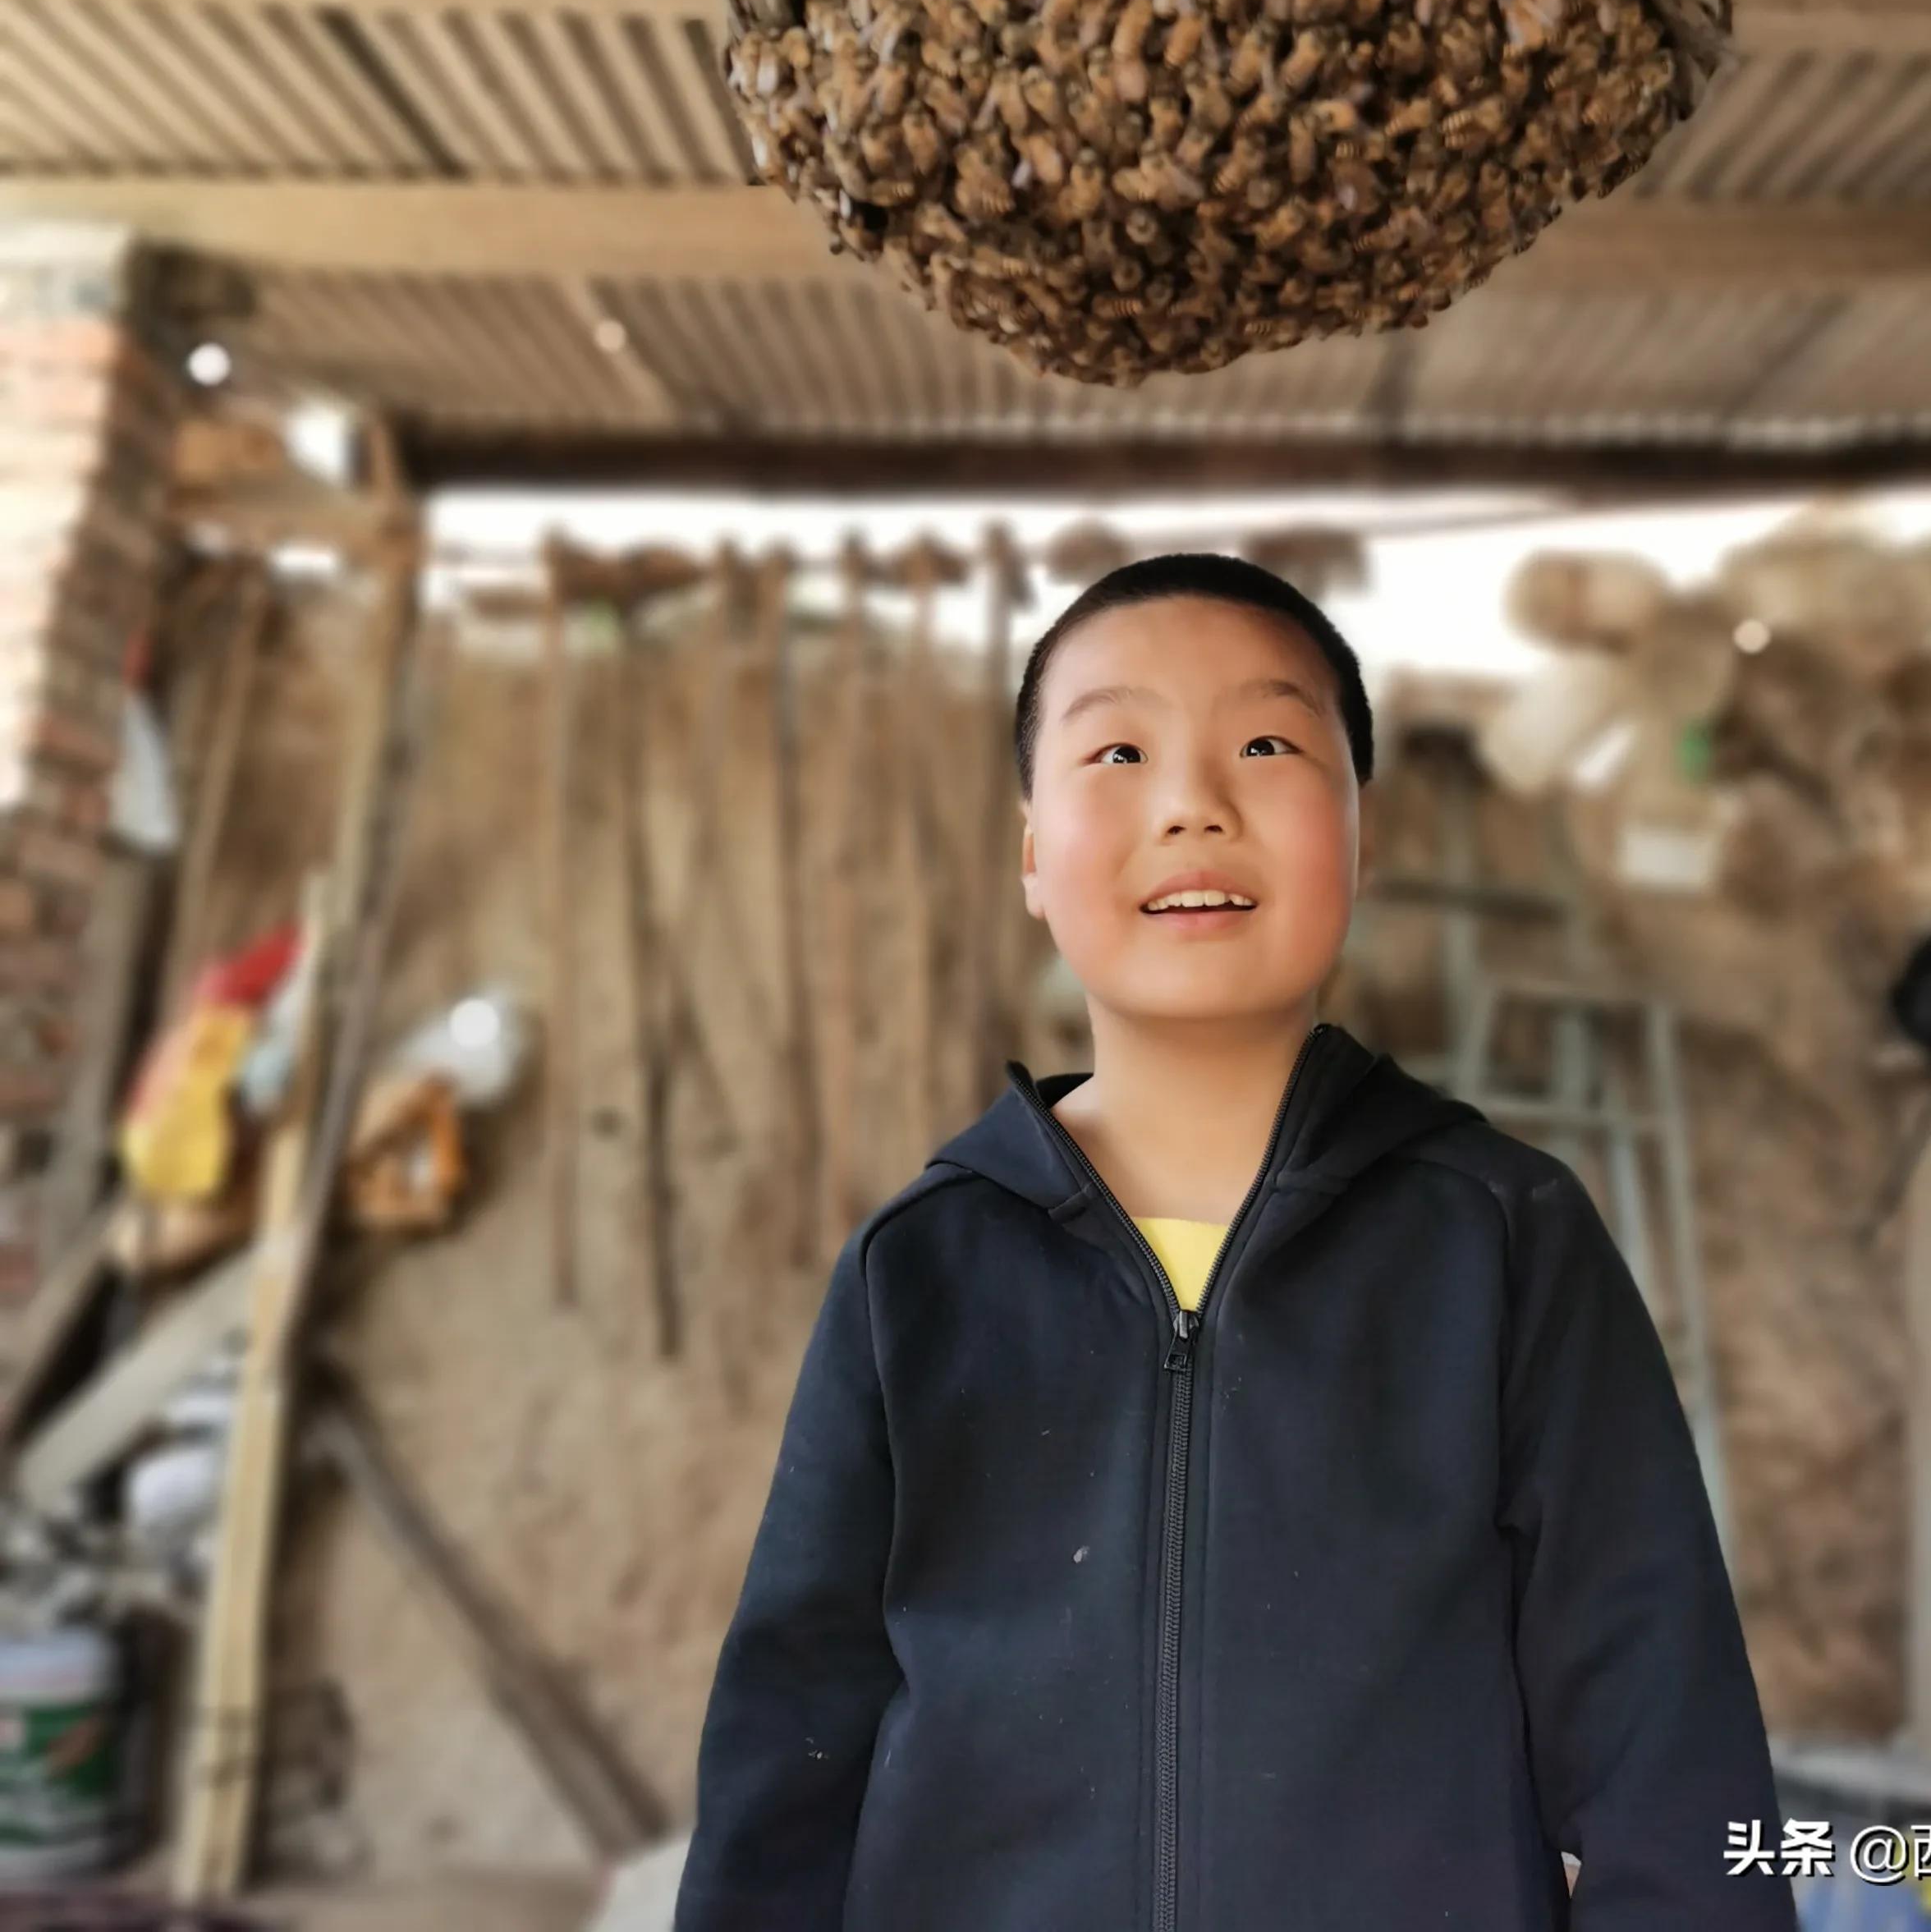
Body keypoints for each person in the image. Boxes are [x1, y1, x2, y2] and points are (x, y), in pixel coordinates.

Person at [675, 550, 1794, 1930]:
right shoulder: (918, 1272)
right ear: (1031, 857)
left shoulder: (1504, 1242)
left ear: (1360, 836)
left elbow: (1669, 1761)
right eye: (1119, 752)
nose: (1191, 804)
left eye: (1266, 745)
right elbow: (785, 1768)